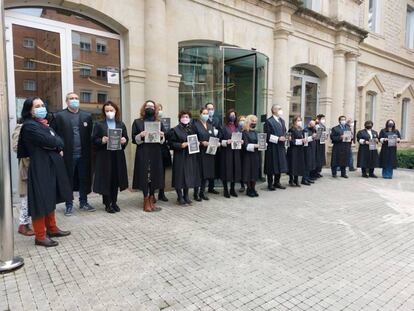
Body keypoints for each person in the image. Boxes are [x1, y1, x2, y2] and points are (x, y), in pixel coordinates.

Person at [18, 97, 71, 247]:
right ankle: (40, 236)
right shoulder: (29, 126)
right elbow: (53, 141)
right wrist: (55, 144)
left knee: (50, 197)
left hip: (49, 166)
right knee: (40, 201)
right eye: (37, 106)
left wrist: (55, 144)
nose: (41, 108)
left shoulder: (44, 125)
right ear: (30, 110)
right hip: (39, 166)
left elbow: (60, 141)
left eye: (42, 105)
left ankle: (52, 229)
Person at [50, 92, 95, 216]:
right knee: (68, 179)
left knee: (84, 178)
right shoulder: (59, 116)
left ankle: (84, 202)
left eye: (76, 98)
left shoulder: (86, 116)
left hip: (84, 154)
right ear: (66, 101)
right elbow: (52, 134)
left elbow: (90, 134)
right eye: (71, 98)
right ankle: (69, 205)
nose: (74, 100)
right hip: (67, 155)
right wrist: (58, 148)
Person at [92, 101, 129, 213]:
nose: (109, 112)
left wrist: (124, 141)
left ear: (116, 111)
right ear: (104, 112)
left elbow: (126, 138)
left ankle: (114, 202)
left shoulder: (120, 124)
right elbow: (94, 140)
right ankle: (107, 203)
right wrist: (101, 140)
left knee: (115, 179)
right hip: (104, 156)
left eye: (111, 110)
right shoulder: (99, 124)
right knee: (106, 179)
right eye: (107, 110)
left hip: (117, 155)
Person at [132, 100, 166, 212]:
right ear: (144, 108)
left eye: (152, 106)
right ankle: (146, 199)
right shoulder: (137, 122)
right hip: (143, 151)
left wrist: (162, 136)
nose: (150, 108)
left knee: (154, 175)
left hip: (156, 152)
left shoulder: (159, 122)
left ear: (155, 109)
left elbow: (164, 140)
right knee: (144, 175)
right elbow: (133, 139)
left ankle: (152, 198)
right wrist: (140, 135)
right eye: (147, 106)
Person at [168, 111, 201, 205]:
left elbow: (196, 139)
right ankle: (179, 196)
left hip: (190, 156)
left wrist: (197, 143)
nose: (185, 118)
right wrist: (180, 145)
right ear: (180, 118)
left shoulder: (192, 129)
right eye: (183, 116)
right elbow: (170, 144)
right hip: (180, 155)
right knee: (179, 176)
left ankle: (186, 195)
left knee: (188, 176)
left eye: (187, 116)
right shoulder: (174, 130)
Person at [11, 119, 34, 236]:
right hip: (26, 166)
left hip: (37, 167)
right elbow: (16, 147)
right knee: (25, 197)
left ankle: (30, 222)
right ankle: (23, 224)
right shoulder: (21, 127)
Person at [193, 107, 217, 201]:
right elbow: (193, 139)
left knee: (206, 174)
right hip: (199, 153)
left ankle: (202, 192)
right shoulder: (195, 125)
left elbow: (213, 137)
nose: (206, 115)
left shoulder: (210, 125)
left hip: (209, 153)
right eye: (204, 113)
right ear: (200, 114)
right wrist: (202, 142)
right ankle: (196, 193)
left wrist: (216, 143)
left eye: (207, 113)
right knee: (199, 174)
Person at [264, 104, 288, 191]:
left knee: (280, 165)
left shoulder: (282, 121)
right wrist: (278, 138)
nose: (280, 110)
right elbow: (267, 135)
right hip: (272, 147)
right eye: (279, 109)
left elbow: (284, 131)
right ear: (274, 110)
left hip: (280, 146)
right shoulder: (268, 121)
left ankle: (277, 182)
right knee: (271, 165)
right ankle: (270, 184)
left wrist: (286, 137)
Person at [219, 109, 243, 198]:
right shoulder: (223, 127)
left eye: (234, 115)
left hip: (236, 152)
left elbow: (241, 136)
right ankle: (226, 190)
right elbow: (220, 140)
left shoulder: (238, 127)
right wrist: (226, 141)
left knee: (234, 170)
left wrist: (241, 141)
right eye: (231, 115)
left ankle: (232, 189)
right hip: (227, 152)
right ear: (227, 116)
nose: (232, 116)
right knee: (226, 170)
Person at [241, 115, 261, 197]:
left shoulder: (257, 132)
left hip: (256, 155)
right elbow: (245, 146)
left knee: (255, 172)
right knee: (248, 172)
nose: (254, 123)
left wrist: (264, 145)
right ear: (248, 122)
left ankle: (253, 188)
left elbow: (261, 142)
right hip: (247, 156)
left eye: (255, 121)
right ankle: (249, 189)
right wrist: (256, 146)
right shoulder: (244, 132)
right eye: (252, 121)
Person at [156, 103, 171, 202]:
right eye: (158, 109)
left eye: (161, 109)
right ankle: (152, 194)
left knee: (163, 173)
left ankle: (162, 193)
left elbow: (167, 134)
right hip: (154, 150)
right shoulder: (149, 122)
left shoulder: (162, 122)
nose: (159, 111)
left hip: (163, 151)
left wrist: (163, 134)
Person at [205, 103, 221, 194]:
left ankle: (211, 187)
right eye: (209, 109)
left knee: (213, 166)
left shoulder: (216, 119)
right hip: (206, 144)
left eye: (212, 109)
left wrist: (217, 132)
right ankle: (202, 187)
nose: (211, 110)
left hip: (214, 144)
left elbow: (220, 130)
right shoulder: (204, 120)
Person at [287, 116, 306, 187]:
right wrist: (300, 141)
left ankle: (296, 179)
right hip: (293, 150)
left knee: (298, 164)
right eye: (298, 120)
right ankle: (291, 179)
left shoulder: (301, 130)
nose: (299, 122)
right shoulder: (291, 130)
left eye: (300, 120)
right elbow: (291, 141)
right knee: (292, 164)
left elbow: (304, 138)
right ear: (294, 121)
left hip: (300, 149)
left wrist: (305, 140)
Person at [302, 119, 317, 185]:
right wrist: (312, 137)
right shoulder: (305, 130)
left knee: (310, 164)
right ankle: (304, 179)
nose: (314, 127)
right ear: (309, 124)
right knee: (307, 164)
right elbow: (305, 140)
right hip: (307, 149)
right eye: (313, 125)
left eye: (314, 125)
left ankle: (308, 178)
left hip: (312, 148)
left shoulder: (313, 130)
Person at [237, 115, 246, 193]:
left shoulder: (247, 130)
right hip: (239, 151)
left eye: (244, 120)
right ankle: (242, 185)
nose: (242, 122)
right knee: (241, 168)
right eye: (241, 120)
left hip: (246, 151)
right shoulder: (237, 130)